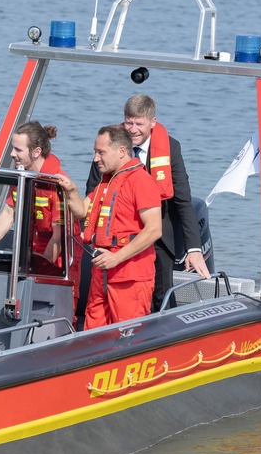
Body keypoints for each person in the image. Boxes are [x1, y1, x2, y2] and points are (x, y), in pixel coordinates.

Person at [85, 94, 210, 313]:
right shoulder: (110, 146)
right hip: (117, 229)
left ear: (153, 123)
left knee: (161, 293)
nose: (132, 129)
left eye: (139, 124)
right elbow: (93, 192)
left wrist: (194, 248)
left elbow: (182, 200)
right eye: (128, 122)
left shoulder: (170, 148)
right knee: (108, 291)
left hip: (158, 229)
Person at [59, 125, 163, 329]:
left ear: (122, 151)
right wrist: (71, 190)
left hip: (130, 277)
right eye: (95, 152)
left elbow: (154, 229)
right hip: (102, 271)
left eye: (101, 153)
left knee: (128, 337)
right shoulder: (104, 185)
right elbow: (81, 212)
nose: (96, 159)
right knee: (92, 332)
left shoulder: (141, 181)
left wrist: (116, 257)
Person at [0, 121, 68, 272]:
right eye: (12, 148)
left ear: (36, 152)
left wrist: (39, 269)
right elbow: (9, 214)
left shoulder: (57, 184)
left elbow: (59, 238)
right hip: (32, 250)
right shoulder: (22, 176)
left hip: (60, 260)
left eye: (18, 150)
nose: (12, 154)